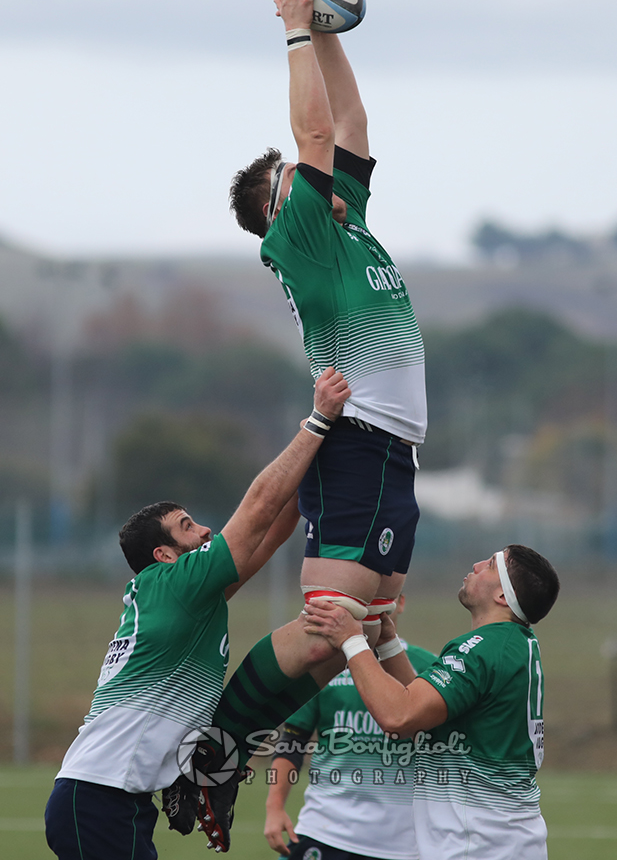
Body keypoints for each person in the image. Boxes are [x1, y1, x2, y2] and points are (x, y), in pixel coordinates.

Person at [228, 0, 428, 710]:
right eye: (297, 181)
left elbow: (348, 123)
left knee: (367, 627)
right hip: (357, 443)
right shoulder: (300, 238)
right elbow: (314, 132)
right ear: (282, 211)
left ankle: (236, 745)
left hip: (391, 451)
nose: (316, 180)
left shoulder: (342, 219)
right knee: (329, 629)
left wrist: (326, 29)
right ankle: (221, 740)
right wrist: (293, 31)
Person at [44, 367, 350, 860]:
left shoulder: (183, 598)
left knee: (323, 646)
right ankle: (218, 765)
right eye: (187, 527)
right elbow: (254, 514)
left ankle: (217, 766)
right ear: (164, 555)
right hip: (97, 798)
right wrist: (316, 423)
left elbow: (265, 538)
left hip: (116, 800)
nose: (205, 530)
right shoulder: (172, 584)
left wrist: (313, 472)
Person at [304, 545, 560, 860]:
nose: (477, 563)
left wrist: (351, 639)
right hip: (500, 842)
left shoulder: (483, 649)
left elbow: (399, 716)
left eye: (491, 565)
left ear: (503, 597)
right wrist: (387, 643)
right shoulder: (511, 645)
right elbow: (425, 711)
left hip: (478, 847)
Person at [264, 595, 436, 860]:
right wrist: (274, 808)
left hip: (401, 844)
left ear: (400, 602)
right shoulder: (324, 666)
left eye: (383, 596)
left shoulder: (429, 668)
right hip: (324, 830)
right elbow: (293, 740)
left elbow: (442, 748)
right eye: (366, 597)